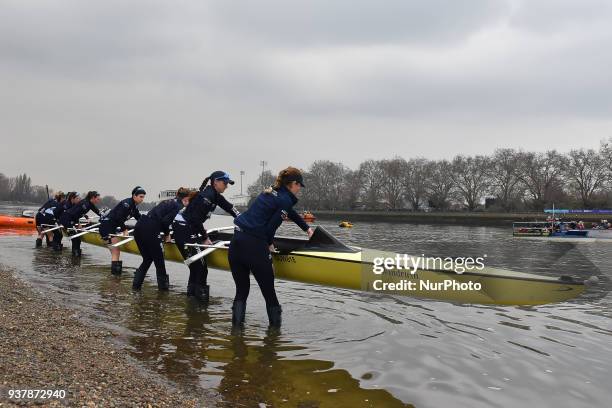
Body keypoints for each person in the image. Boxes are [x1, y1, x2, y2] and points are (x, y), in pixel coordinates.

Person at [229, 167, 314, 328]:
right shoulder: (285, 200)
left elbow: (289, 211)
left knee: (241, 292)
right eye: (299, 186)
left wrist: (307, 228)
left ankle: (237, 338)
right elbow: (269, 230)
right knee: (269, 295)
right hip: (254, 246)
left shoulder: (270, 192)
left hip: (236, 242)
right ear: (293, 184)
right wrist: (269, 248)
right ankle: (274, 341)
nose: (299, 190)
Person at [173, 171, 239, 304]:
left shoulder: (215, 195)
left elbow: (230, 208)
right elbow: (196, 220)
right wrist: (204, 237)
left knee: (195, 267)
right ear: (215, 182)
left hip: (188, 228)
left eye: (228, 184)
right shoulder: (207, 196)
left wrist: (246, 221)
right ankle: (199, 308)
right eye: (225, 183)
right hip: (184, 229)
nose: (226, 186)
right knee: (201, 269)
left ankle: (191, 301)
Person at [132, 187, 191, 291]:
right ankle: (163, 294)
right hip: (150, 230)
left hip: (139, 227)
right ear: (185, 199)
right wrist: (167, 234)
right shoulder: (178, 206)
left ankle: (135, 289)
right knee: (159, 263)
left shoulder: (168, 201)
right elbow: (165, 222)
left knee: (147, 259)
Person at [99, 187, 146, 275]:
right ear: (134, 196)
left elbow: (139, 218)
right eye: (141, 196)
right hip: (106, 227)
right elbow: (118, 218)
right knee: (115, 251)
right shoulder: (127, 204)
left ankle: (115, 277)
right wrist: (124, 230)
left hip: (112, 227)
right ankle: (115, 278)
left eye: (143, 197)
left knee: (116, 251)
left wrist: (149, 226)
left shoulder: (133, 206)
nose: (142, 199)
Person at [58, 191, 101, 257]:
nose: (98, 201)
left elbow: (98, 212)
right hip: (66, 219)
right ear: (92, 198)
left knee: (77, 238)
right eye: (98, 199)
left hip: (71, 218)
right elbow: (74, 214)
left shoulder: (90, 203)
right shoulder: (85, 204)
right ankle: (75, 256)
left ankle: (76, 255)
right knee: (76, 238)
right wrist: (78, 223)